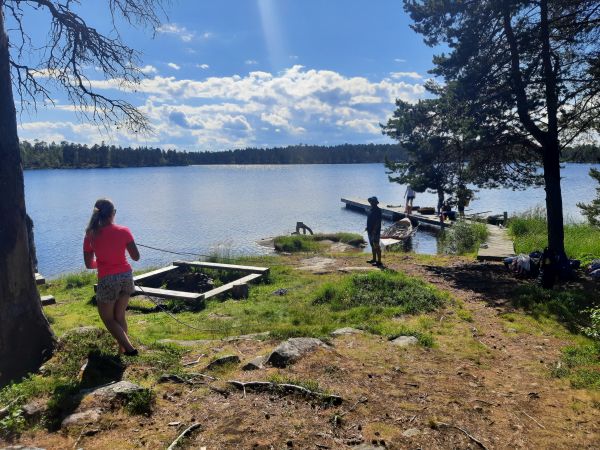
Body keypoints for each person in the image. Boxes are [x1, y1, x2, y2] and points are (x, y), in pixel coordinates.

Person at [83, 199, 140, 356]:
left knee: (108, 319)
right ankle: (121, 351)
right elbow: (136, 257)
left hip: (108, 279)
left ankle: (129, 349)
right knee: (119, 316)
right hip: (126, 277)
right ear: (113, 213)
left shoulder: (90, 234)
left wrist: (101, 263)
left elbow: (89, 264)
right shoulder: (124, 231)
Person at [365, 196, 383, 266]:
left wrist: (374, 230)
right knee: (372, 245)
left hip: (375, 232)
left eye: (373, 201)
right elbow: (369, 220)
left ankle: (379, 261)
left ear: (376, 202)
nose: (371, 202)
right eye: (371, 201)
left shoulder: (378, 210)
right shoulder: (371, 209)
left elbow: (378, 222)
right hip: (369, 231)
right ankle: (374, 259)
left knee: (376, 246)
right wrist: (367, 227)